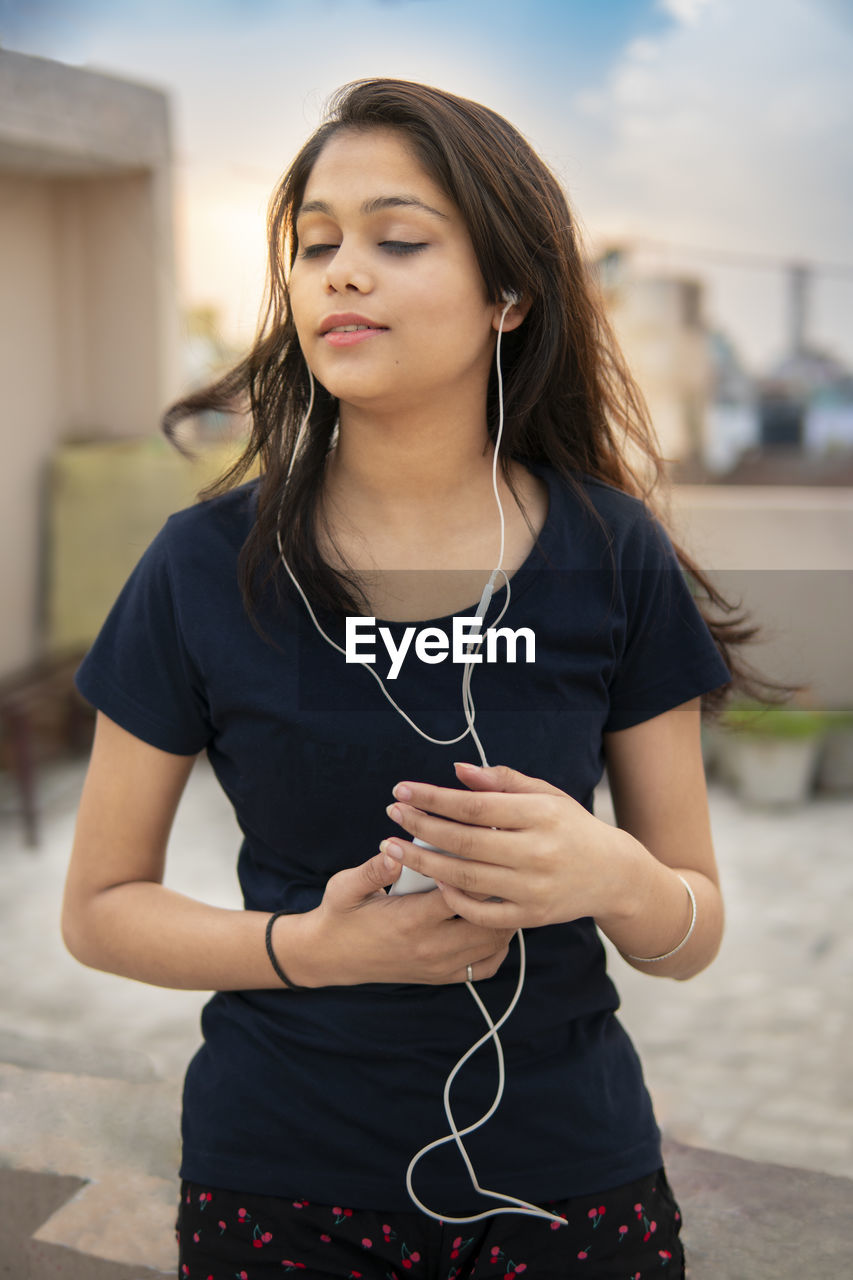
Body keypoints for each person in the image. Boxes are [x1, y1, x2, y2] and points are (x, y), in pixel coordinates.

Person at [62, 79, 748, 1279]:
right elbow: (100, 906)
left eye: (396, 237)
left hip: (569, 1180)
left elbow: (687, 930)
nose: (340, 272)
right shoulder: (201, 564)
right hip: (279, 1179)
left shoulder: (611, 547)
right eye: (315, 243)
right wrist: (304, 949)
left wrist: (613, 872)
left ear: (509, 293)